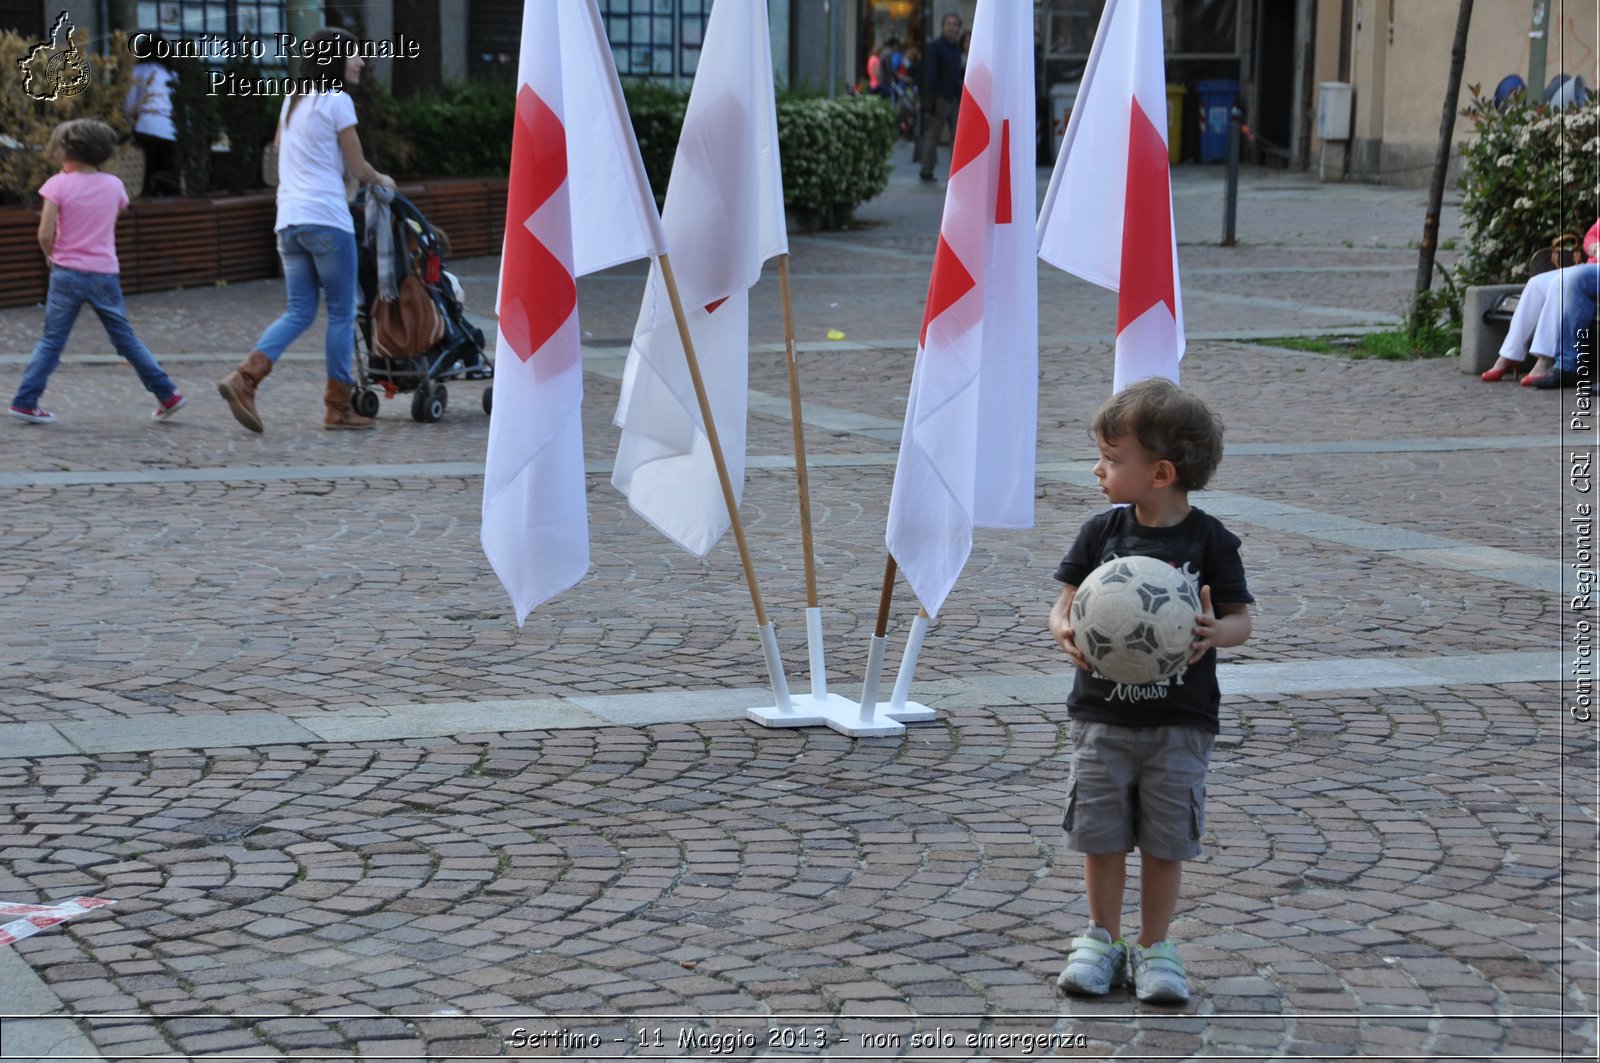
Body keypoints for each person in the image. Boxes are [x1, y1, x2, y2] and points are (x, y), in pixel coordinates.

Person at [1047, 378, 1253, 1005]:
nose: (1098, 470)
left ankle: (1155, 948)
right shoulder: (1100, 534)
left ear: (1160, 472)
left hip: (1181, 722)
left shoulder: (1211, 541)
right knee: (1101, 834)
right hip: (1100, 717)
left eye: (1112, 460)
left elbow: (1242, 621)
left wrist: (1220, 631)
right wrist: (1065, 629)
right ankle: (1101, 941)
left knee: (1166, 841)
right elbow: (1062, 606)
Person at [218, 25, 395, 433]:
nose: (361, 62)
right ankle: (338, 407)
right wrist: (383, 180)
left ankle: (245, 378)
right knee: (340, 312)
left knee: (298, 310)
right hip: (327, 220)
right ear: (335, 59)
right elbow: (358, 166)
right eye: (354, 54)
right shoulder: (338, 101)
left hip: (289, 221)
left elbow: (284, 149)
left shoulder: (292, 102)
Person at [9, 119, 185, 425]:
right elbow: (112, 215)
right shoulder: (114, 185)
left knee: (52, 340)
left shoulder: (57, 185)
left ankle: (26, 400)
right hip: (104, 272)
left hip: (66, 272)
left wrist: (50, 255)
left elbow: (44, 233)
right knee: (125, 339)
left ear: (65, 151)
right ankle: (167, 394)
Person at [1480, 219, 1600, 386]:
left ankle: (1545, 359)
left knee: (1559, 283)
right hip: (1590, 267)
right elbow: (1592, 234)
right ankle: (1510, 355)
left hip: (1590, 274)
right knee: (1536, 283)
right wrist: (1594, 246)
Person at [124, 40, 178, 196]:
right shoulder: (171, 73)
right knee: (166, 173)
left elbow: (130, 103)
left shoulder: (137, 71)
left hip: (146, 125)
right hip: (170, 128)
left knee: (147, 171)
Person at [918, 12, 963, 182]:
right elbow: (930, 73)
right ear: (943, 26)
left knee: (956, 137)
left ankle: (956, 171)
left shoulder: (956, 48)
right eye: (948, 24)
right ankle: (926, 169)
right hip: (940, 98)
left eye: (954, 24)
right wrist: (935, 95)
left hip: (955, 98)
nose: (951, 27)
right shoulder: (935, 46)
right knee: (933, 136)